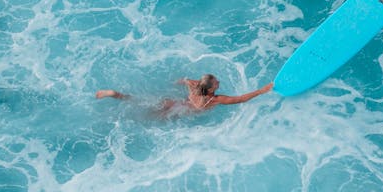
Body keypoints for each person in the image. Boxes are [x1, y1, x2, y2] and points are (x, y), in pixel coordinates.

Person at [96, 74, 273, 115]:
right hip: (178, 111)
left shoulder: (196, 86)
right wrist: (262, 90)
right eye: (216, 82)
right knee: (148, 119)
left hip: (173, 102)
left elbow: (184, 80)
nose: (219, 82)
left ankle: (113, 94)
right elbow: (241, 99)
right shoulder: (214, 99)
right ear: (210, 89)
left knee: (137, 101)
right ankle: (113, 94)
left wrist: (175, 82)